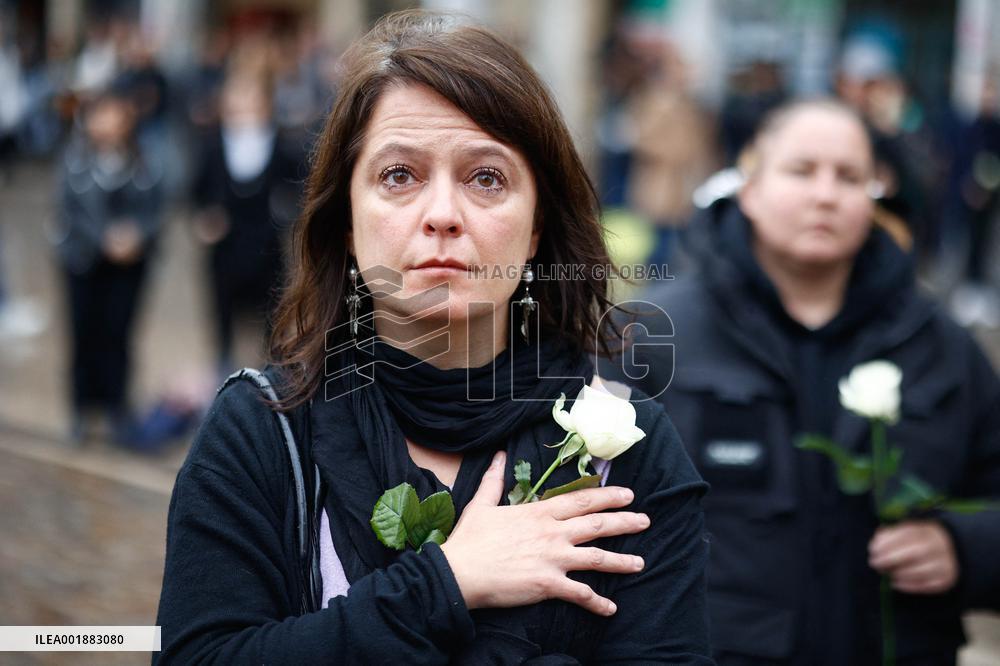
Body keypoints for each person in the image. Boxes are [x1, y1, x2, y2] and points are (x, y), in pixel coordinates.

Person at [154, 11, 711, 664]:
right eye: (399, 176)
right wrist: (442, 586)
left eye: (486, 178)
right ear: (346, 223)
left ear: (535, 230)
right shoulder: (262, 432)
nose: (443, 215)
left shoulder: (626, 445)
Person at [603, 99, 1000, 665]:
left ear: (875, 193)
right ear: (749, 185)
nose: (825, 194)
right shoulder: (647, 338)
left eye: (849, 176)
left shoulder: (942, 345)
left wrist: (967, 547)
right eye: (801, 170)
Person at [55, 86, 163, 442]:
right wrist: (105, 238)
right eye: (102, 114)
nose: (110, 123)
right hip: (83, 262)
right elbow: (69, 211)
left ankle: (118, 407)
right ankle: (81, 408)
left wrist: (136, 236)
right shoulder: (75, 159)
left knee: (118, 334)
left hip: (128, 267)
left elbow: (155, 211)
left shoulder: (143, 161)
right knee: (84, 333)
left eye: (117, 114)